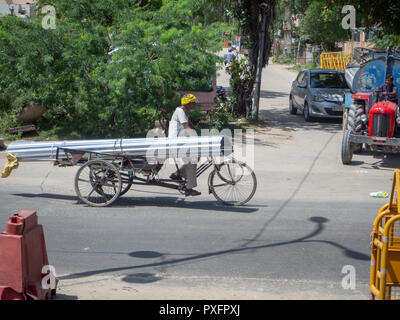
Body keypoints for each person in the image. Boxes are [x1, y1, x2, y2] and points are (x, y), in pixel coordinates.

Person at [168, 94, 201, 197]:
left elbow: (189, 126)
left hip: (181, 141)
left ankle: (177, 174)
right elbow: (186, 127)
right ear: (189, 104)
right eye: (193, 103)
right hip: (177, 143)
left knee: (195, 157)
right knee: (192, 160)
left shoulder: (183, 111)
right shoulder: (181, 112)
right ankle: (188, 188)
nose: (195, 104)